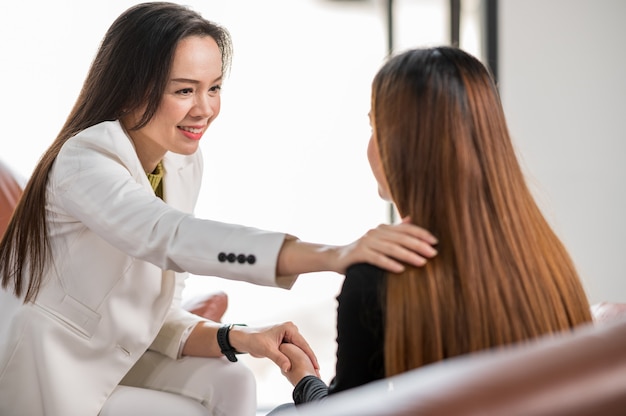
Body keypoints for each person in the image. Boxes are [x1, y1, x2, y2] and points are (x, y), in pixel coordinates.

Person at [0, 4, 438, 416]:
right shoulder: (84, 162)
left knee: (233, 380)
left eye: (214, 89)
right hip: (54, 372)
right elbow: (172, 237)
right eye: (185, 90)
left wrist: (239, 337)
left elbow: (159, 310)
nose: (205, 109)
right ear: (131, 88)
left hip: (115, 357)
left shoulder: (181, 161)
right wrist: (331, 255)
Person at [270, 46, 593, 411]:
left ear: (404, 146)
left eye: (375, 125)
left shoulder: (379, 276)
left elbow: (350, 410)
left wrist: (302, 380)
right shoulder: (544, 253)